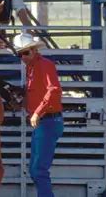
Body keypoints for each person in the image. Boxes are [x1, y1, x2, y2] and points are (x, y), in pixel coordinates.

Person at [13, 33, 64, 197]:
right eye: (19, 54)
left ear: (34, 50)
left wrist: (37, 113)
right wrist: (23, 104)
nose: (23, 57)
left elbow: (54, 90)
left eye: (26, 53)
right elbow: (36, 93)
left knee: (38, 170)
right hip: (44, 123)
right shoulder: (32, 68)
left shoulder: (44, 65)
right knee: (36, 170)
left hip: (48, 122)